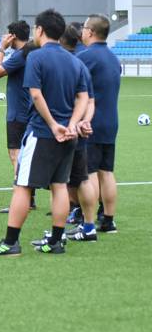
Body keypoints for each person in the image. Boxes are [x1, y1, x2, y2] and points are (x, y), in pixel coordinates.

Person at [0, 9, 89, 256]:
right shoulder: (75, 61)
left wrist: (52, 124)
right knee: (59, 185)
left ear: (40, 30)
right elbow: (83, 97)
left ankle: (10, 242)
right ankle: (56, 242)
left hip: (42, 132)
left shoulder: (36, 58)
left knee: (23, 185)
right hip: (68, 136)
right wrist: (71, 124)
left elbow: (36, 94)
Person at [78, 13, 121, 234]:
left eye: (84, 28)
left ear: (91, 32)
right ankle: (109, 220)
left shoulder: (85, 58)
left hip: (90, 122)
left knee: (91, 172)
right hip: (111, 121)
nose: (82, 32)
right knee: (107, 171)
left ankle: (89, 222)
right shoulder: (113, 58)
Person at [0, 20, 37, 213]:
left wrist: (1, 48)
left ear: (13, 36)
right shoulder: (29, 53)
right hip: (26, 110)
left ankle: (22, 198)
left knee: (16, 156)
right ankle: (29, 198)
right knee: (22, 156)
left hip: (18, 112)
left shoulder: (20, 55)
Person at [60, 25, 97, 241]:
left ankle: (57, 233)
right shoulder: (81, 63)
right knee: (81, 179)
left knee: (61, 182)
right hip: (77, 129)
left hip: (59, 131)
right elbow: (89, 100)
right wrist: (84, 121)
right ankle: (88, 224)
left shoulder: (57, 62)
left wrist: (74, 123)